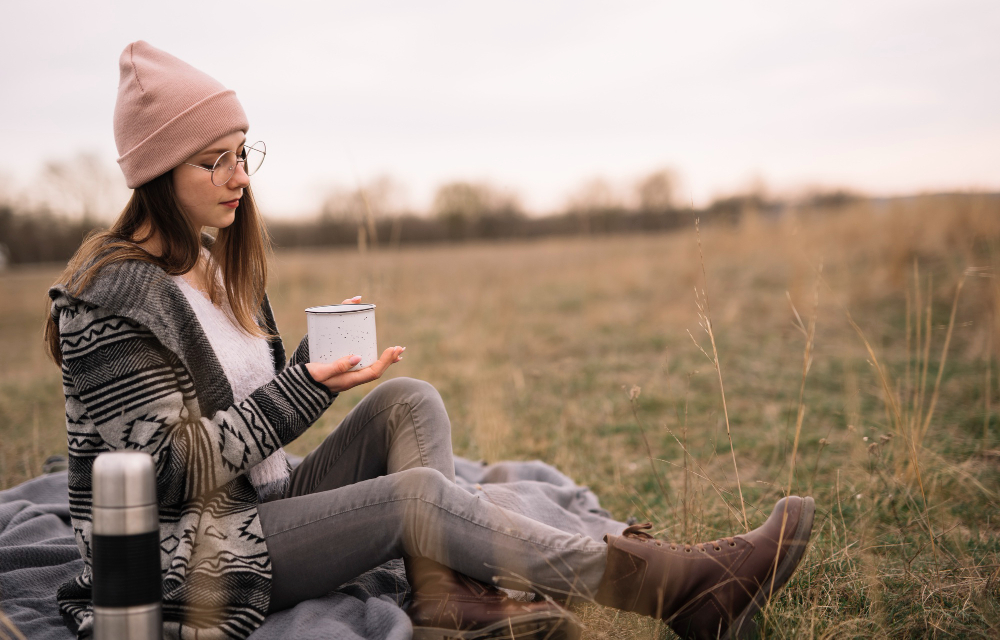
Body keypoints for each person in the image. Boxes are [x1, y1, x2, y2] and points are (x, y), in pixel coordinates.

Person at [45, 40, 815, 640]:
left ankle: (444, 599)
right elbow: (169, 467)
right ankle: (677, 585)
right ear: (153, 171)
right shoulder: (111, 298)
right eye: (213, 159)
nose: (238, 174)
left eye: (244, 151)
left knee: (409, 401)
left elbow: (253, 424)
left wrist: (319, 371)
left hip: (261, 501)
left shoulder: (212, 263)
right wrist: (307, 383)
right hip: (197, 559)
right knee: (418, 496)